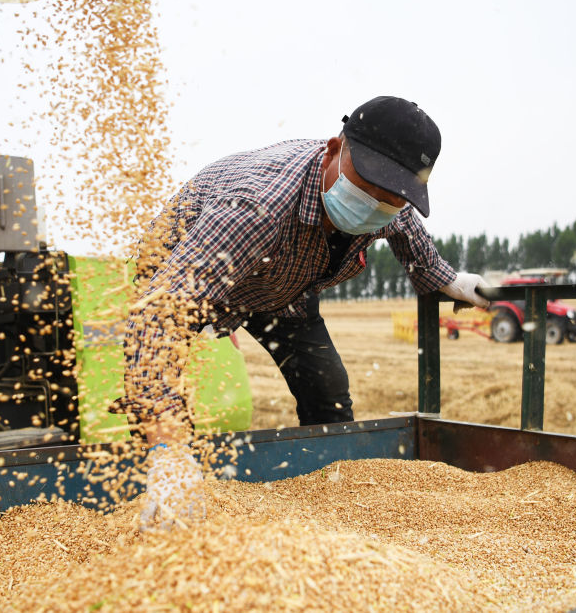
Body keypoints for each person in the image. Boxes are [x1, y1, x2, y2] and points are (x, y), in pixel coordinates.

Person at [121, 96, 490, 530]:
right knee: (159, 405)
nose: (375, 204)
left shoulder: (391, 204)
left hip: (282, 284)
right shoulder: (254, 207)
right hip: (190, 271)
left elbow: (409, 235)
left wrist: (452, 282)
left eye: (391, 196)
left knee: (328, 391)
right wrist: (168, 452)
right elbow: (157, 316)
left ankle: (334, 498)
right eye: (368, 186)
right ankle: (154, 488)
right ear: (335, 150)